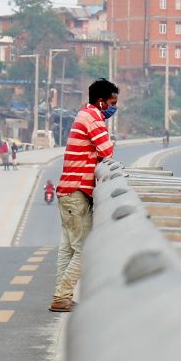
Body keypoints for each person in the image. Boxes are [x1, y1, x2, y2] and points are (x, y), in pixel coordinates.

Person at [50, 78, 118, 313]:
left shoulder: (84, 115)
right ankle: (61, 296)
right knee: (85, 248)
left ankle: (62, 296)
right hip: (78, 191)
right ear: (101, 102)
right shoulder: (93, 118)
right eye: (112, 102)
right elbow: (107, 151)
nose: (113, 108)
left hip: (66, 191)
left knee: (68, 248)